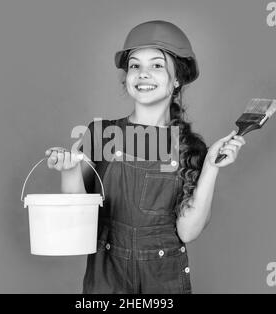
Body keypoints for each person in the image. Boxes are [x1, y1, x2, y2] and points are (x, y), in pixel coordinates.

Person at [45, 20, 245, 294]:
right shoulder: (101, 134)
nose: (143, 73)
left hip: (163, 281)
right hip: (107, 279)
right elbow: (79, 222)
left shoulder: (189, 148)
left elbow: (187, 232)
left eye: (157, 65)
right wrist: (68, 171)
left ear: (177, 80)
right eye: (135, 65)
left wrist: (210, 166)